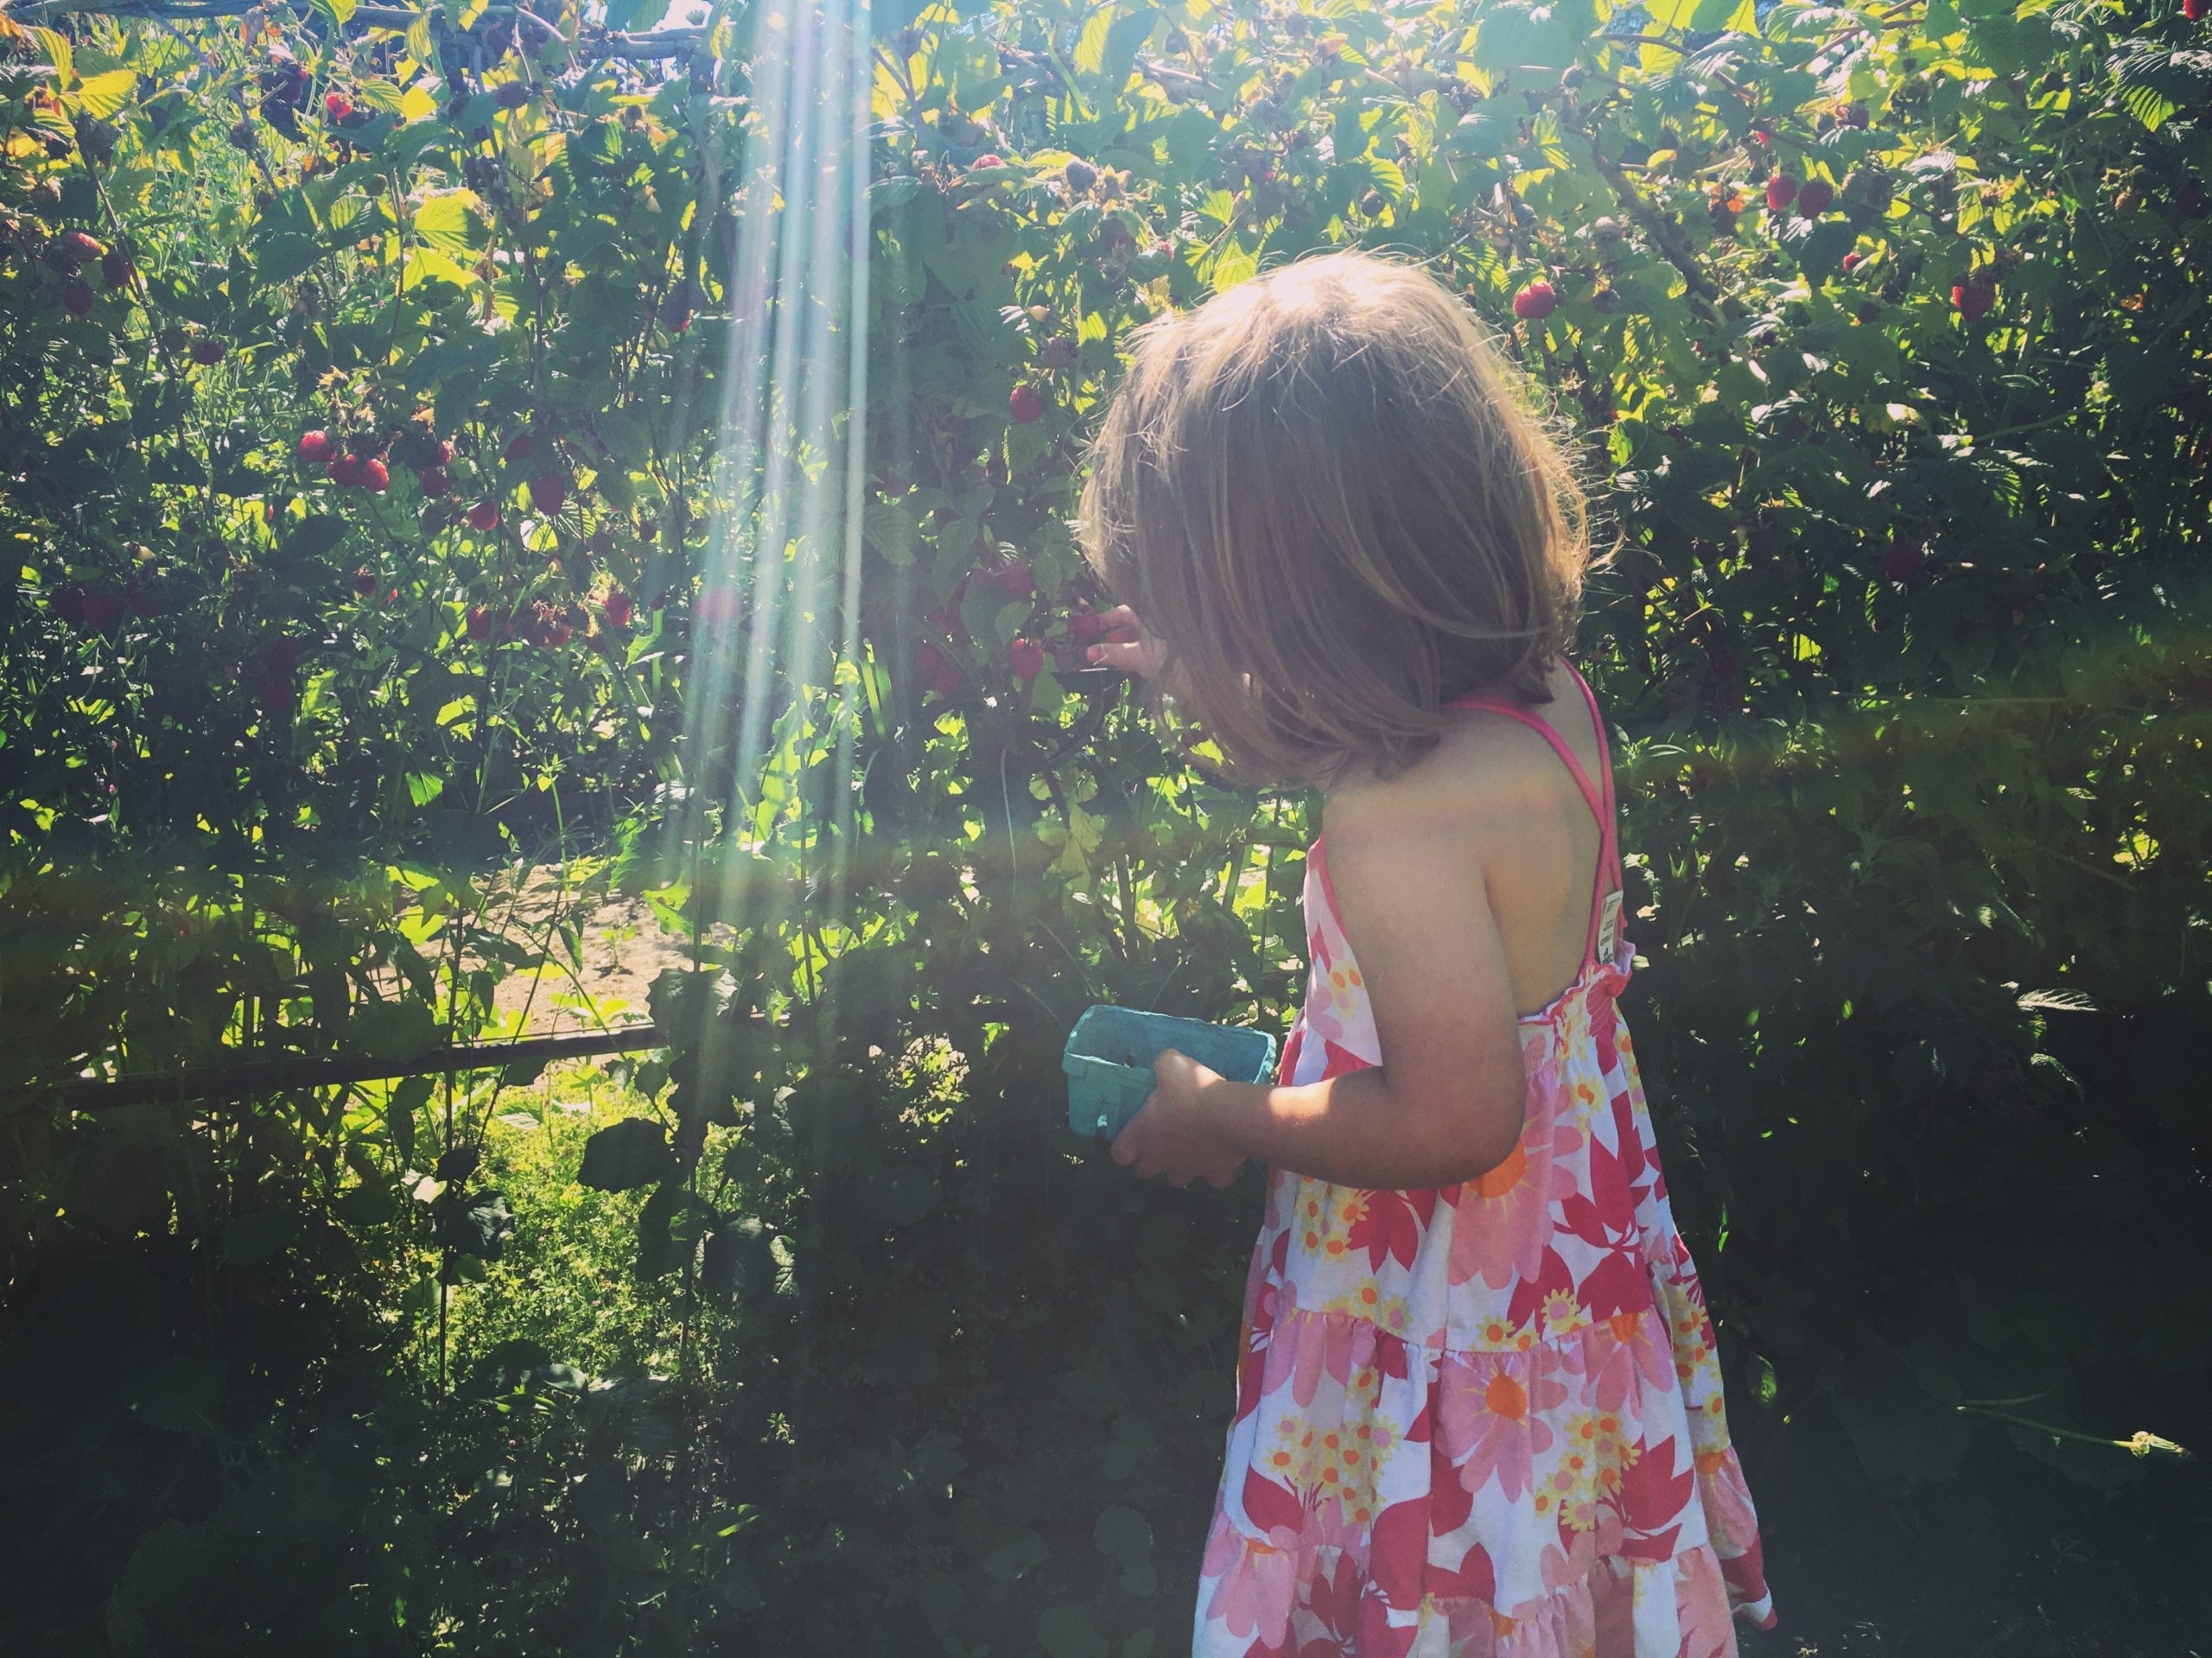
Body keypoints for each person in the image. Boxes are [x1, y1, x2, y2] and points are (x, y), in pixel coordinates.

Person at [1076, 249, 1775, 1656]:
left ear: (1295, 610)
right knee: (1547, 1568)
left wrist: (1229, 1113)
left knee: (1446, 1588)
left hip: (1443, 1313)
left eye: (1215, 612)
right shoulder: (1541, 707)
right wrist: (1201, 664)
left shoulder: (1392, 814)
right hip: (1562, 1287)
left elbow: (1455, 1115)